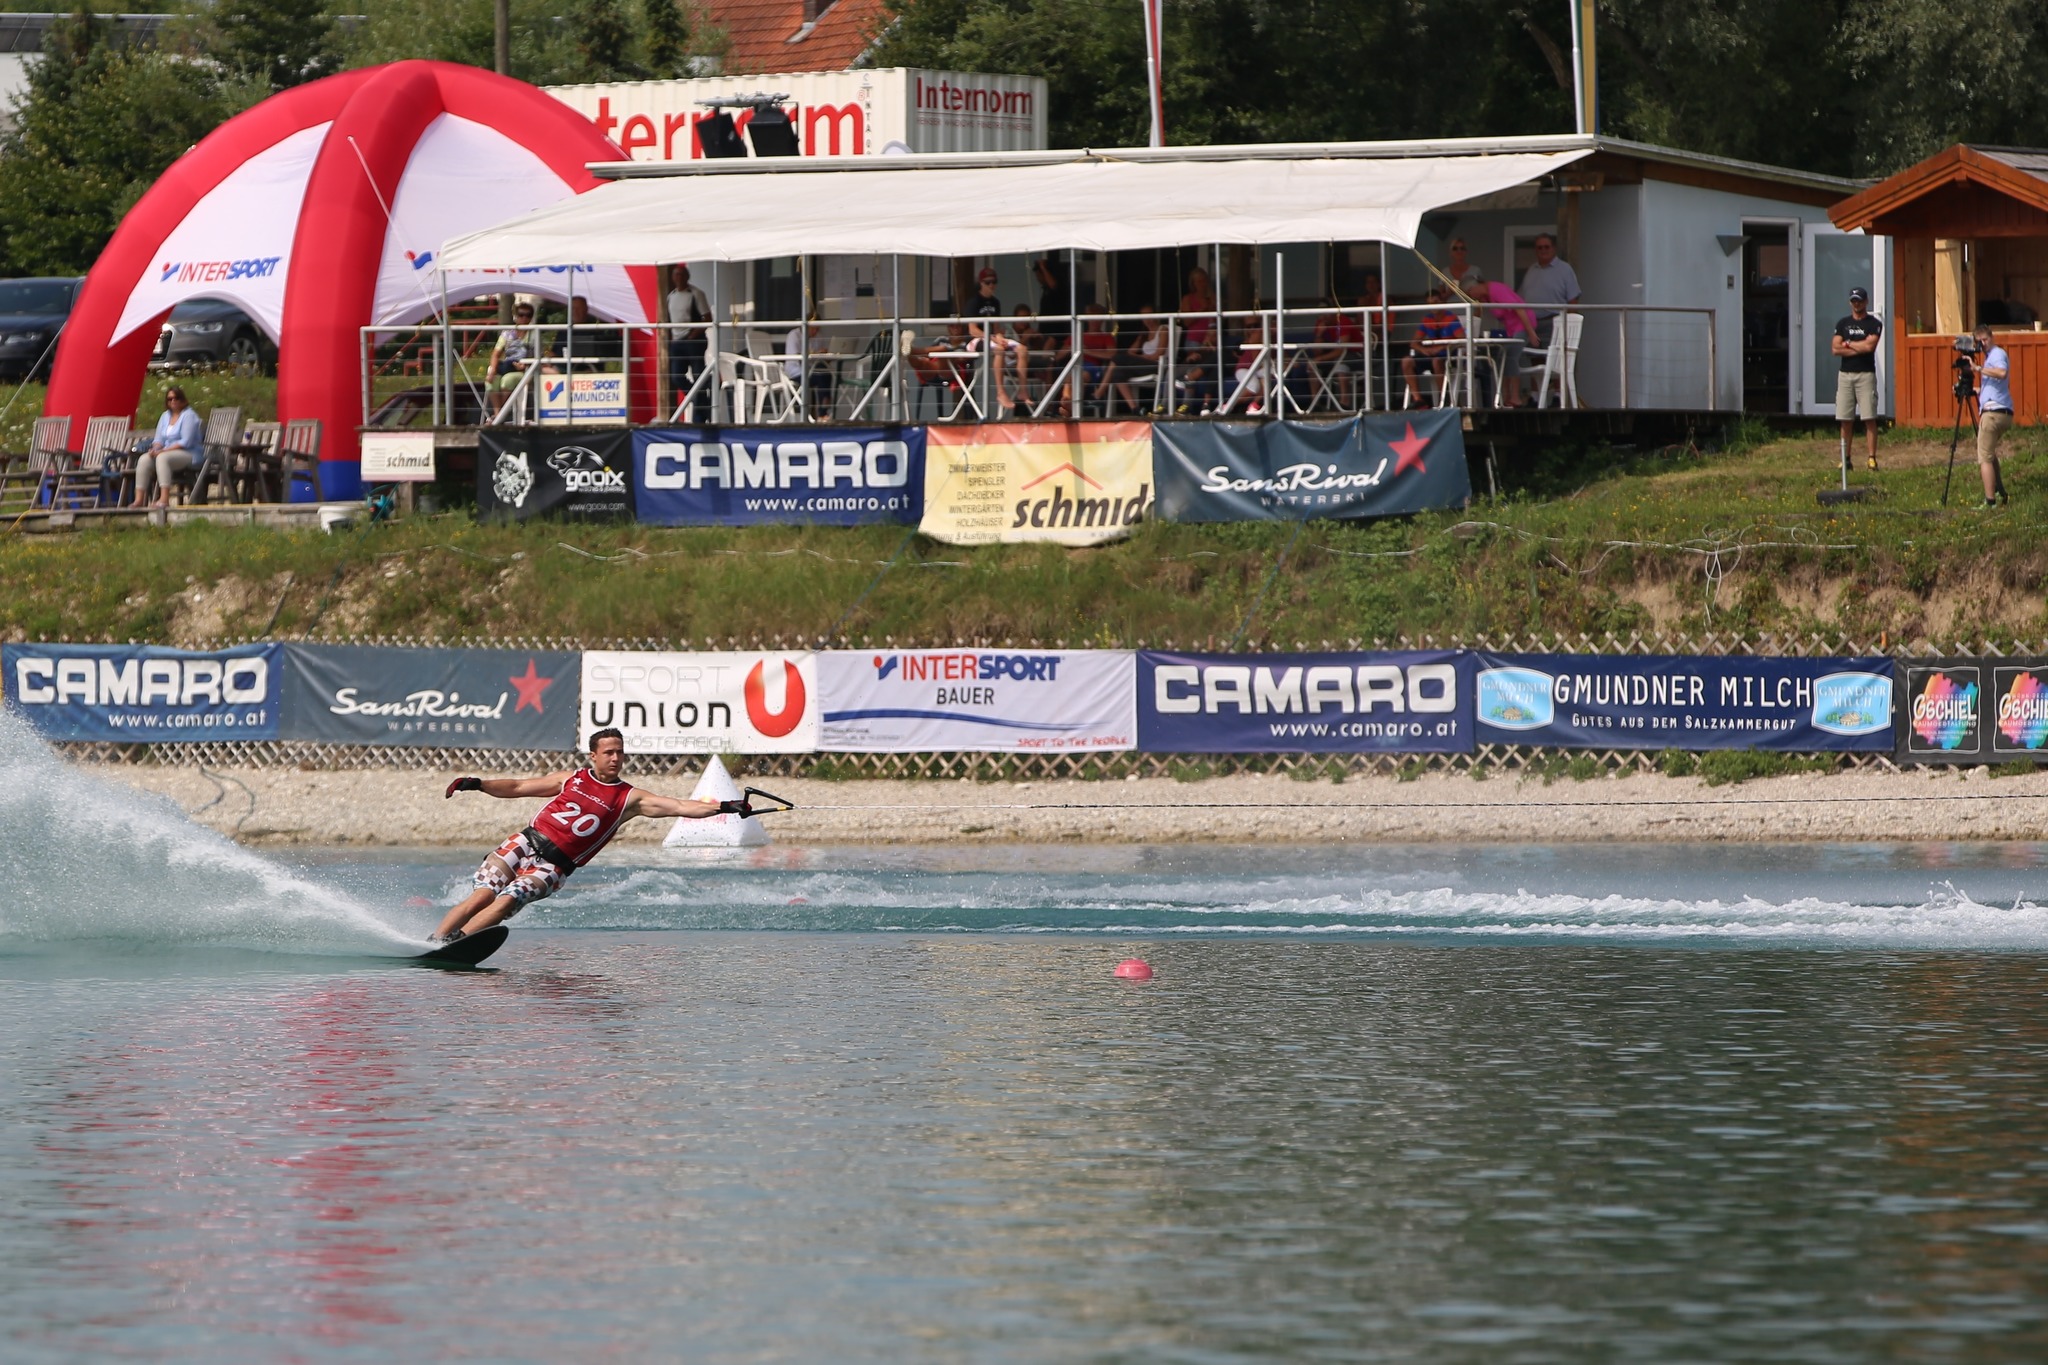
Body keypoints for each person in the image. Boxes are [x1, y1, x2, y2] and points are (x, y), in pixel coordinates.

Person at [434, 728, 746, 943]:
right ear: (593, 756)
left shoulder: (629, 798)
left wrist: (726, 806)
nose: (615, 758)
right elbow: (517, 787)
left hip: (554, 867)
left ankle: (456, 944)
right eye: (608, 752)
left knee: (504, 902)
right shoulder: (570, 779)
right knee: (482, 897)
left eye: (620, 753)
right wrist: (478, 784)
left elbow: (679, 806)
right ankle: (435, 941)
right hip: (524, 842)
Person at [964, 267, 1030, 416]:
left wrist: (999, 336)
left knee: (1022, 349)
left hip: (992, 338)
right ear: (981, 283)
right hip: (976, 340)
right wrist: (993, 337)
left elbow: (996, 327)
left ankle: (1022, 389)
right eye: (988, 282)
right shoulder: (973, 302)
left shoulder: (996, 302)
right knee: (999, 350)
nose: (992, 285)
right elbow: (972, 329)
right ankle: (1001, 392)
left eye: (994, 282)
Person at [1831, 286, 1883, 471]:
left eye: (1860, 300)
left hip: (1865, 375)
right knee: (1845, 418)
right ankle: (1846, 458)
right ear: (1850, 302)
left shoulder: (1873, 323)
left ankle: (1871, 458)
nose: (1857, 304)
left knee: (1869, 417)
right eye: (1854, 301)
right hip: (1845, 375)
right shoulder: (1843, 323)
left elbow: (1870, 347)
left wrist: (1849, 343)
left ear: (1866, 302)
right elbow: (1835, 349)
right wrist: (1857, 346)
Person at [130, 385, 203, 508]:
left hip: (189, 453)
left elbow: (186, 441)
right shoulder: (165, 416)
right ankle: (139, 499)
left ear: (182, 400)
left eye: (176, 398)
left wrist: (163, 451)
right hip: (167, 451)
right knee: (144, 459)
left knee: (162, 458)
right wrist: (156, 449)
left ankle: (164, 499)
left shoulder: (189, 416)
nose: (173, 401)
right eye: (169, 399)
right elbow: (159, 439)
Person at [1400, 286, 1464, 407]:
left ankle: (1444, 399)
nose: (1433, 306)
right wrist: (1424, 350)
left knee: (1436, 361)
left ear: (1442, 302)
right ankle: (1418, 400)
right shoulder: (1427, 319)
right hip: (1431, 355)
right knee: (1406, 361)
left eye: (1436, 302)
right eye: (1430, 303)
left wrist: (1443, 347)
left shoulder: (1451, 318)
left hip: (1449, 356)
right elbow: (1414, 343)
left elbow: (1462, 339)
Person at [1971, 323, 2012, 507]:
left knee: (1984, 458)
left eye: (1985, 340)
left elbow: (2002, 373)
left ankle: (1990, 501)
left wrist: (1978, 369)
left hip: (1994, 413)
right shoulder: (1989, 359)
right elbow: (1993, 389)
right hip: (1998, 410)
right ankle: (2000, 491)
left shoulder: (1997, 354)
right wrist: (1974, 390)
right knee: (1990, 453)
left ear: (1992, 337)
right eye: (1979, 342)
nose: (1983, 344)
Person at [1518, 232, 1582, 346]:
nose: (1543, 250)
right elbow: (1521, 298)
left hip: (1553, 323)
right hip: (1532, 324)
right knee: (1534, 358)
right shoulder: (1532, 269)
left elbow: (1573, 300)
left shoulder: (1564, 269)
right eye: (1539, 247)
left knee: (1552, 359)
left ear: (1554, 248)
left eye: (1546, 247)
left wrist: (1568, 325)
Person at [665, 264, 711, 418]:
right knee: (676, 376)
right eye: (676, 275)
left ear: (687, 276)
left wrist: (693, 334)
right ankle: (700, 401)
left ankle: (700, 416)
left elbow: (707, 318)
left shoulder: (696, 294)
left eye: (682, 274)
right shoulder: (670, 296)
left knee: (699, 376)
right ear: (672, 278)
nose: (679, 278)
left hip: (693, 341)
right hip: (677, 342)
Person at [486, 300, 538, 414]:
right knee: (491, 380)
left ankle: (500, 415)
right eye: (521, 315)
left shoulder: (535, 334)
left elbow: (538, 357)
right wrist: (493, 370)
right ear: (516, 316)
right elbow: (496, 353)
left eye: (528, 315)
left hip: (526, 370)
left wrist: (525, 366)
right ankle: (498, 413)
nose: (524, 318)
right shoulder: (507, 333)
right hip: (508, 366)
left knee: (507, 381)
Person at [549, 295, 622, 366]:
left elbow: (600, 356)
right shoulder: (563, 331)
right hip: (562, 368)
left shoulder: (594, 330)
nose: (575, 312)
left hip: (587, 369)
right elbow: (555, 351)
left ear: (586, 310)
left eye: (578, 309)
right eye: (573, 308)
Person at [784, 313, 834, 415]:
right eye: (813, 328)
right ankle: (823, 410)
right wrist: (816, 355)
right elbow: (798, 358)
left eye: (817, 329)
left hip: (813, 370)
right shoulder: (794, 335)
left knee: (824, 371)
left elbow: (822, 359)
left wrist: (826, 355)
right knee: (822, 375)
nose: (815, 332)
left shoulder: (819, 336)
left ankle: (823, 407)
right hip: (797, 372)